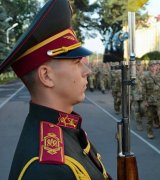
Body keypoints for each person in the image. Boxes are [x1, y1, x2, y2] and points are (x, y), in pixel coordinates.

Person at [0, 0, 111, 179]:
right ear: (46, 76)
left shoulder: (65, 127)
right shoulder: (48, 168)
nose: (87, 71)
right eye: (76, 62)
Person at [144, 60, 160, 138]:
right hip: (150, 101)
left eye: (155, 66)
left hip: (159, 101)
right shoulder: (146, 77)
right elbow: (143, 89)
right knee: (149, 118)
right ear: (149, 67)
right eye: (152, 66)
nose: (154, 67)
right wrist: (145, 100)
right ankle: (149, 132)